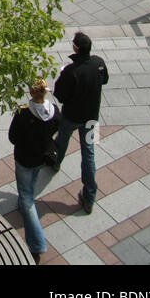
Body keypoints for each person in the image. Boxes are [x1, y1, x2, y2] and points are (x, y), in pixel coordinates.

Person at [51, 31, 109, 214]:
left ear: (75, 48)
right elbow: (105, 79)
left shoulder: (71, 71)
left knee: (62, 139)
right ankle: (89, 196)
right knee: (89, 153)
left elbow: (59, 95)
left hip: (71, 117)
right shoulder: (99, 63)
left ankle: (55, 161)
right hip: (92, 117)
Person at [8, 80, 61, 264]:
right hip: (41, 157)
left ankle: (37, 244)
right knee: (31, 184)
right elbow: (57, 127)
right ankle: (25, 202)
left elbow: (12, 137)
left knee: (26, 196)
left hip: (24, 158)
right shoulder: (54, 111)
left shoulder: (23, 113)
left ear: (31, 92)